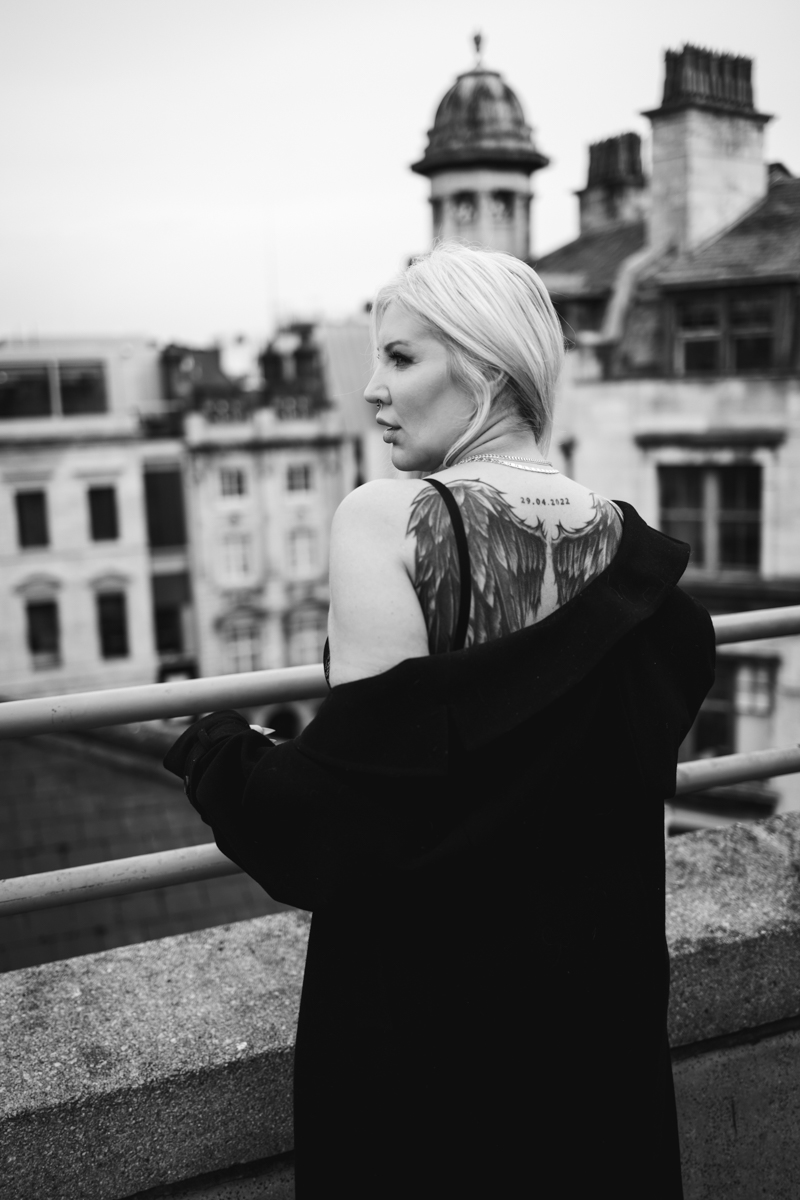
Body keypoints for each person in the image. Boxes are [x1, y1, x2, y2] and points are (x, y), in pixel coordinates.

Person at [164, 245, 714, 1199]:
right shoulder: (639, 556)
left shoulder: (392, 519)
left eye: (402, 359)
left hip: (431, 1038)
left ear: (489, 373)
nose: (372, 392)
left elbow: (351, 821)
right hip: (599, 1030)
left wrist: (220, 751)